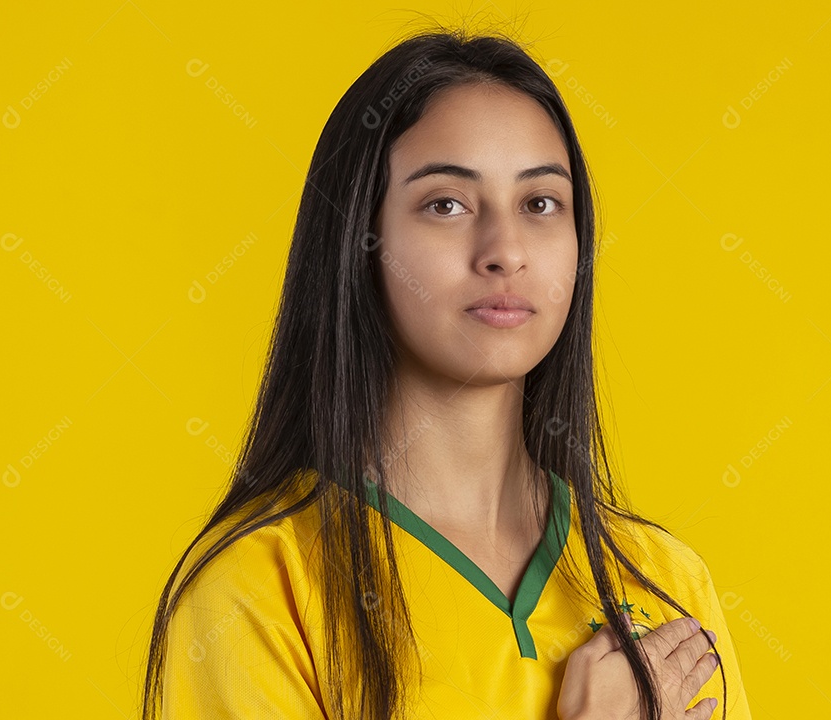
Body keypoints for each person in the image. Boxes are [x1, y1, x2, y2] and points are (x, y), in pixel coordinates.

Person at [141, 25, 752, 720]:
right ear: (360, 242)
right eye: (447, 205)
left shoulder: (663, 580)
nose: (505, 251)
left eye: (540, 203)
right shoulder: (259, 585)